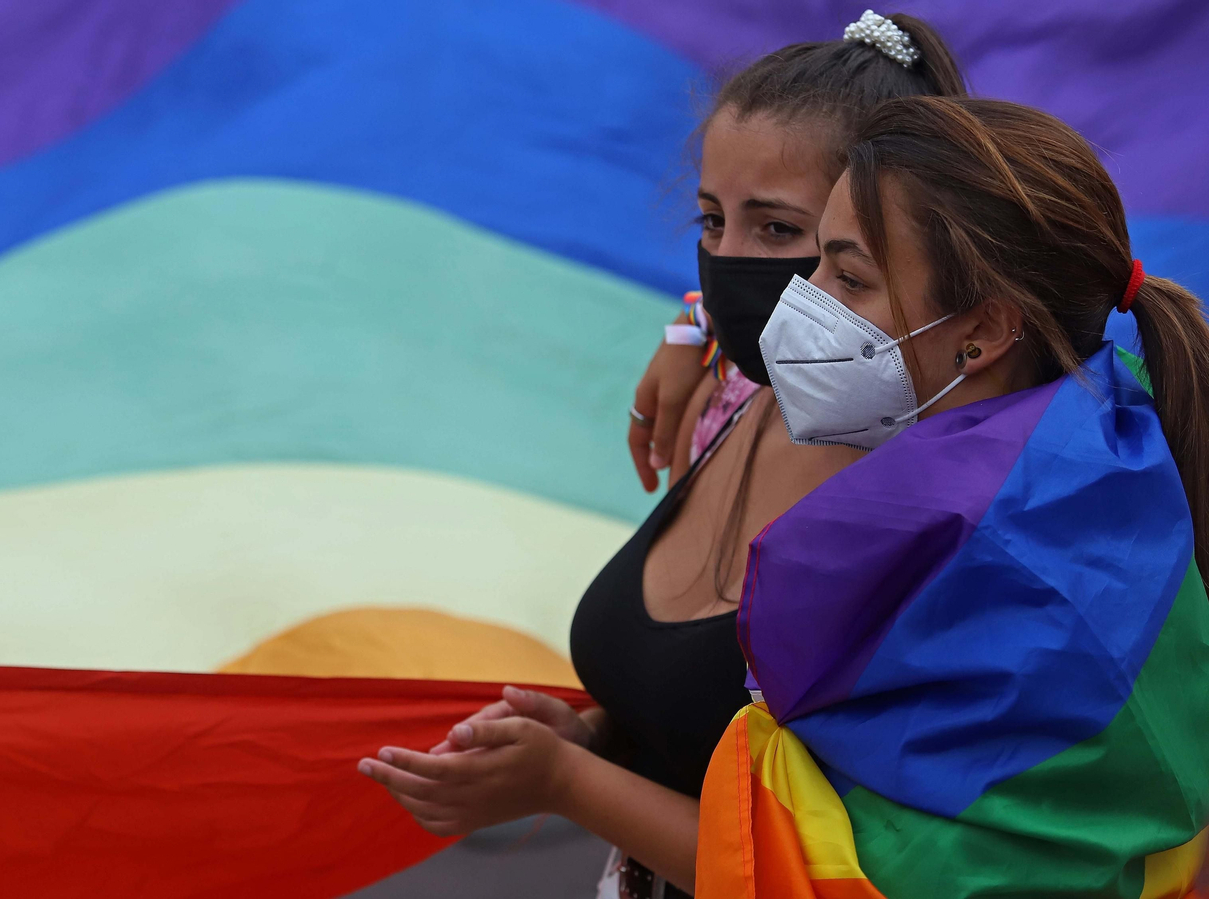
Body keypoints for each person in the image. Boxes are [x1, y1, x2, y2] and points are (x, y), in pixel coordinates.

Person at [358, 12, 965, 896]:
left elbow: (844, 871)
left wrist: (564, 782)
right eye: (712, 220)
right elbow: (722, 716)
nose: (726, 261)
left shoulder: (943, 510)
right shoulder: (735, 393)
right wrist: (606, 734)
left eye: (776, 230)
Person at [697, 96, 1209, 895]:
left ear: (985, 332)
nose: (808, 299)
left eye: (850, 276)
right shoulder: (1110, 433)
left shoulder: (944, 536)